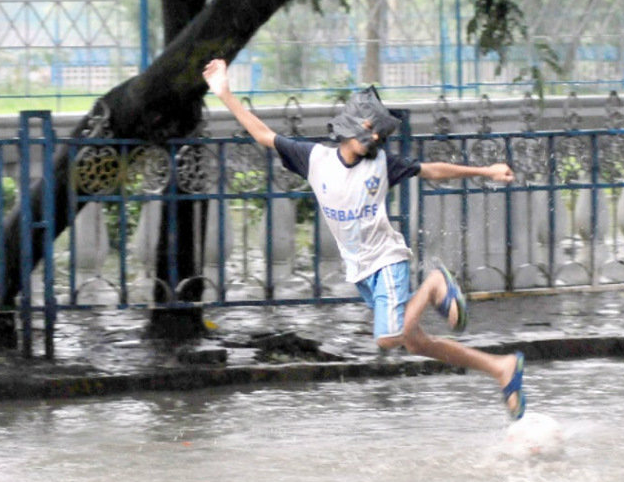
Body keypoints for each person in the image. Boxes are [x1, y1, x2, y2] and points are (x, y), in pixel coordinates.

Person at [203, 58, 527, 419]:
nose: (375, 138)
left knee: (388, 338)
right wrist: (225, 93)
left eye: (380, 135)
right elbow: (263, 135)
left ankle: (435, 285)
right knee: (416, 341)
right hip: (361, 270)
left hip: (386, 259)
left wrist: (484, 170)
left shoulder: (382, 165)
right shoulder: (315, 159)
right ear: (348, 126)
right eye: (370, 129)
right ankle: (501, 368)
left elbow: (432, 170)